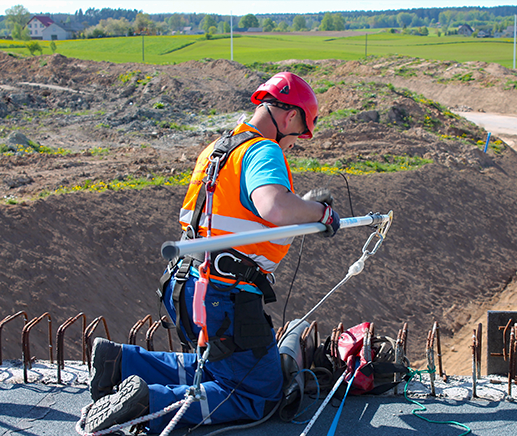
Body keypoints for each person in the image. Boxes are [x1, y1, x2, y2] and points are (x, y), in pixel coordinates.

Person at [84, 72, 341, 433]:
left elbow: (238, 214)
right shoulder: (264, 148)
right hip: (225, 294)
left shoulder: (221, 147)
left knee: (224, 367)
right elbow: (273, 207)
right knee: (258, 392)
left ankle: (120, 362)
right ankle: (149, 402)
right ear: (289, 117)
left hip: (186, 282)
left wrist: (304, 207)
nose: (295, 143)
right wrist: (322, 213)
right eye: (299, 133)